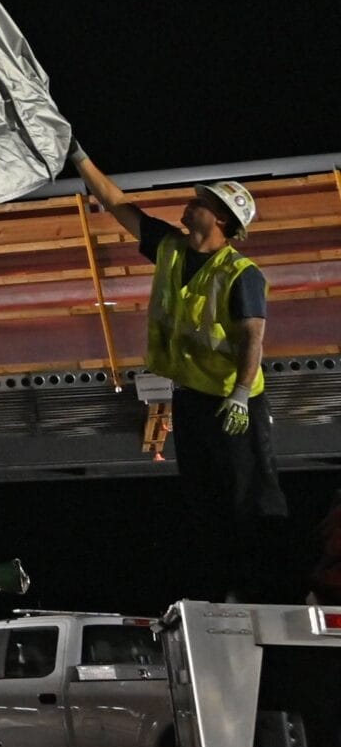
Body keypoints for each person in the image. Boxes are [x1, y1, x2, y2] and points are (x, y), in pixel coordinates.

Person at [73, 152, 289, 598]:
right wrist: (79, 156)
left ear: (223, 220)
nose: (189, 205)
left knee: (250, 497)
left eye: (201, 203)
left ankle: (266, 588)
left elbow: (253, 338)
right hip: (192, 396)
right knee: (203, 496)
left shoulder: (240, 273)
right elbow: (116, 202)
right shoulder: (170, 248)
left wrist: (241, 393)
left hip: (234, 403)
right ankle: (220, 588)